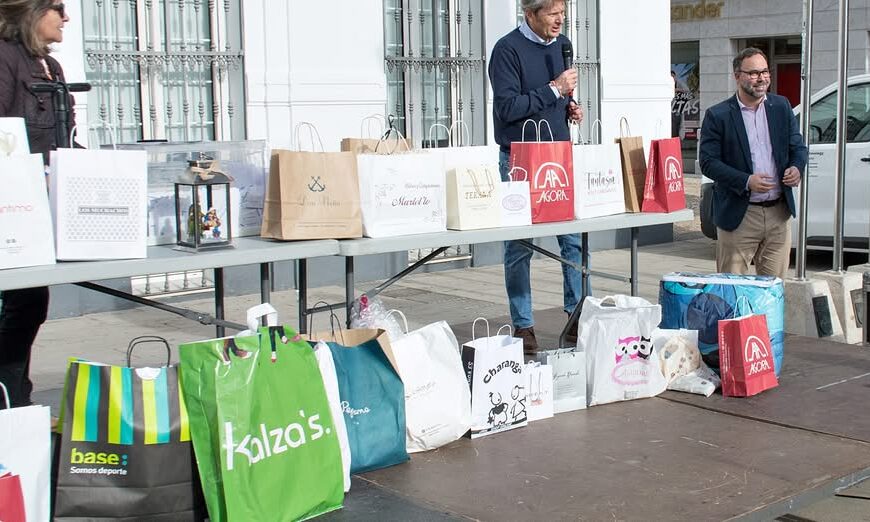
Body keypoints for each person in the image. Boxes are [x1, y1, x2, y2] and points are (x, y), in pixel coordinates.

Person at [489, 0, 584, 354]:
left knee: (573, 242)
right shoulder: (506, 50)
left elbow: (556, 98)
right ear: (530, 14)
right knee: (519, 246)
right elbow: (507, 108)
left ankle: (576, 317)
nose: (560, 20)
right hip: (518, 159)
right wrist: (554, 89)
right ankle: (523, 324)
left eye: (563, 13)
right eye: (552, 13)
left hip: (557, 157)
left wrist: (569, 107)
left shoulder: (563, 46)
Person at [0, 0, 73, 407]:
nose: (66, 18)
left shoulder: (51, 67)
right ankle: (11, 400)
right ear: (31, 10)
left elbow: (64, 138)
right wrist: (31, 175)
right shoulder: (5, 58)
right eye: (58, 8)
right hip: (12, 206)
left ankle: (13, 398)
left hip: (41, 208)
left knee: (29, 303)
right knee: (23, 302)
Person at [699, 47, 808, 279]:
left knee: (773, 289)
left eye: (765, 71)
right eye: (753, 73)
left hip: (778, 213)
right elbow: (708, 162)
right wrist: (746, 181)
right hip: (740, 215)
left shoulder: (781, 106)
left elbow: (798, 147)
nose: (761, 78)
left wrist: (797, 168)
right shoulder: (718, 115)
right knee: (732, 287)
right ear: (737, 76)